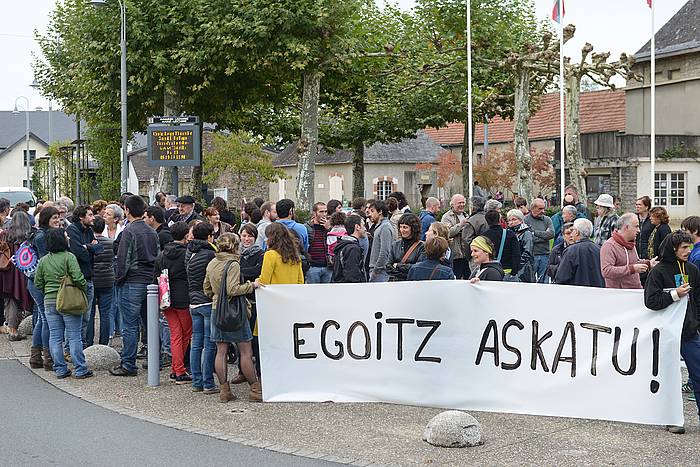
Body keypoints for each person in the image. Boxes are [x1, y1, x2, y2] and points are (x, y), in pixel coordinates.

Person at [644, 230, 700, 434]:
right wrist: (675, 295)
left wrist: (697, 323)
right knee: (669, 377)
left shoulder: (693, 270)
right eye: (684, 248)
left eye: (689, 246)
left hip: (689, 333)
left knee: (698, 373)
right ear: (673, 248)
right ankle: (672, 418)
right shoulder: (658, 273)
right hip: (666, 334)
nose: (688, 251)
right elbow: (650, 302)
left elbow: (698, 300)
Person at [204, 233, 263, 402]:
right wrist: (252, 285)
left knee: (221, 351)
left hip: (217, 309)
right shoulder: (233, 264)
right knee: (245, 351)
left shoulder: (212, 262)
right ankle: (255, 389)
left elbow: (206, 289)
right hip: (235, 311)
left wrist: (216, 296)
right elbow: (233, 289)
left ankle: (224, 390)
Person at [110, 195, 160, 377]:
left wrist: (118, 279)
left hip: (132, 281)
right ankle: (155, 359)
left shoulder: (129, 232)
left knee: (129, 325)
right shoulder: (152, 232)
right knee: (150, 323)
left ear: (127, 210)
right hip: (149, 282)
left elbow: (123, 260)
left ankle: (128, 363)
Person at [33, 228, 92, 379]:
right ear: (62, 240)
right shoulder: (69, 257)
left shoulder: (44, 260)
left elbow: (38, 282)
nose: (68, 238)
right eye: (66, 236)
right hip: (69, 299)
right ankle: (80, 368)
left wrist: (48, 290)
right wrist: (83, 287)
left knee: (55, 336)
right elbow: (78, 278)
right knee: (73, 335)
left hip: (50, 301)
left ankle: (60, 368)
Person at [153, 221, 192, 384]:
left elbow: (156, 274)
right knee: (186, 333)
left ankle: (177, 368)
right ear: (185, 235)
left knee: (175, 333)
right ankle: (179, 369)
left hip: (166, 297)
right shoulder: (186, 254)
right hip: (183, 297)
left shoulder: (162, 254)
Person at [185, 222, 218, 394]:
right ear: (209, 236)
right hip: (206, 301)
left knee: (196, 342)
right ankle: (208, 382)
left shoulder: (190, 252)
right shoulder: (210, 254)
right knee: (209, 343)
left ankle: (197, 381)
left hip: (193, 301)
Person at [27, 206, 61, 370]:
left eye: (59, 217)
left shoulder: (41, 233)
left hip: (36, 282)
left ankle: (36, 358)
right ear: (46, 219)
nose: (58, 221)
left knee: (42, 318)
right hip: (40, 282)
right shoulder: (42, 236)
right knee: (47, 319)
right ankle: (48, 358)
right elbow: (45, 262)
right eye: (54, 217)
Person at [66, 205, 104, 347]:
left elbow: (99, 248)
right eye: (89, 215)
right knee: (76, 317)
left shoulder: (89, 230)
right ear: (81, 217)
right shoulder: (72, 230)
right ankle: (71, 348)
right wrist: (90, 248)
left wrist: (87, 247)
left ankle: (80, 345)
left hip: (89, 278)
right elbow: (78, 253)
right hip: (76, 280)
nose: (93, 217)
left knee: (87, 317)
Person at [232, 223, 265, 384]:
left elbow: (259, 271)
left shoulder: (260, 254)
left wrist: (243, 273)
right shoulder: (236, 254)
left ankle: (258, 372)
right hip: (240, 300)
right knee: (241, 339)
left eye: (250, 236)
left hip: (254, 299)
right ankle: (242, 370)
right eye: (244, 235)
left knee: (255, 339)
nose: (246, 239)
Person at [0, 211, 34, 341]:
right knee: (24, 298)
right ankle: (17, 328)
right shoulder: (29, 236)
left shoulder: (5, 235)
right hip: (25, 271)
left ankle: (12, 329)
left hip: (8, 271)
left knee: (10, 300)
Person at [600, 213, 655, 289]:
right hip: (619, 295)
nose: (639, 230)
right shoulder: (609, 246)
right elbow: (606, 271)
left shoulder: (630, 243)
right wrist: (632, 269)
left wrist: (648, 263)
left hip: (636, 291)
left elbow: (633, 263)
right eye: (636, 226)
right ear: (626, 227)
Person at [554, 218, 605, 287]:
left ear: (577, 232)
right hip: (597, 291)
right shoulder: (599, 249)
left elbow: (562, 276)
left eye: (573, 230)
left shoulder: (571, 251)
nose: (572, 234)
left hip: (577, 292)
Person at [90, 217, 116, 346]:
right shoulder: (111, 243)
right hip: (107, 280)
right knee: (105, 313)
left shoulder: (89, 243)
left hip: (92, 279)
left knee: (90, 314)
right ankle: (104, 342)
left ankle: (89, 342)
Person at [483, 210, 520, 278]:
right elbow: (516, 255)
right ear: (499, 220)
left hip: (490, 272)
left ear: (486, 221)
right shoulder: (510, 234)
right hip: (507, 271)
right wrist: (514, 272)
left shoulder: (483, 236)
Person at [387, 213, 424, 282]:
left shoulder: (421, 247)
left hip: (412, 283)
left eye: (405, 227)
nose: (402, 230)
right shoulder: (395, 245)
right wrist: (405, 273)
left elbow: (418, 268)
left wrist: (397, 265)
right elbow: (388, 267)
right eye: (400, 227)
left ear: (413, 228)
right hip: (396, 283)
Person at [524, 198, 554, 283]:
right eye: (540, 209)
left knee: (544, 281)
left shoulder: (547, 219)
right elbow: (528, 238)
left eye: (544, 208)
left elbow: (551, 234)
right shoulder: (525, 220)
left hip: (545, 255)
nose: (543, 211)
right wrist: (544, 235)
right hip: (531, 255)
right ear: (533, 208)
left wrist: (534, 232)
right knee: (530, 281)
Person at [332, 215, 367, 283]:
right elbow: (352, 274)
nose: (365, 229)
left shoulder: (344, 244)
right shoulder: (353, 248)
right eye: (363, 225)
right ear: (357, 227)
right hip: (350, 289)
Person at [441, 194, 469, 279]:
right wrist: (460, 225)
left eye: (463, 202)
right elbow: (446, 233)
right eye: (459, 203)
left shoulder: (466, 215)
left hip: (467, 255)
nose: (462, 205)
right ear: (452, 204)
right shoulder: (446, 217)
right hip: (455, 256)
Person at [367, 200, 395, 283]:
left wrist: (376, 271)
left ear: (380, 212)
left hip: (380, 272)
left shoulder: (385, 227)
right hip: (377, 270)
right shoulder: (380, 226)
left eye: (372, 211)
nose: (370, 214)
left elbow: (385, 252)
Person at [305, 202, 331, 284]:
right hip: (313, 267)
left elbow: (334, 244)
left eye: (326, 212)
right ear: (314, 213)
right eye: (321, 212)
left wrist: (328, 230)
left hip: (327, 266)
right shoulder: (307, 227)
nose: (324, 214)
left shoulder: (329, 228)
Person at [506, 209, 534, 283]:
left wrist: (517, 264)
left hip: (523, 268)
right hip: (510, 267)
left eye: (514, 219)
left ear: (521, 220)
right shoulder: (508, 233)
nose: (511, 222)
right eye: (509, 220)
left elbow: (527, 252)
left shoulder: (526, 233)